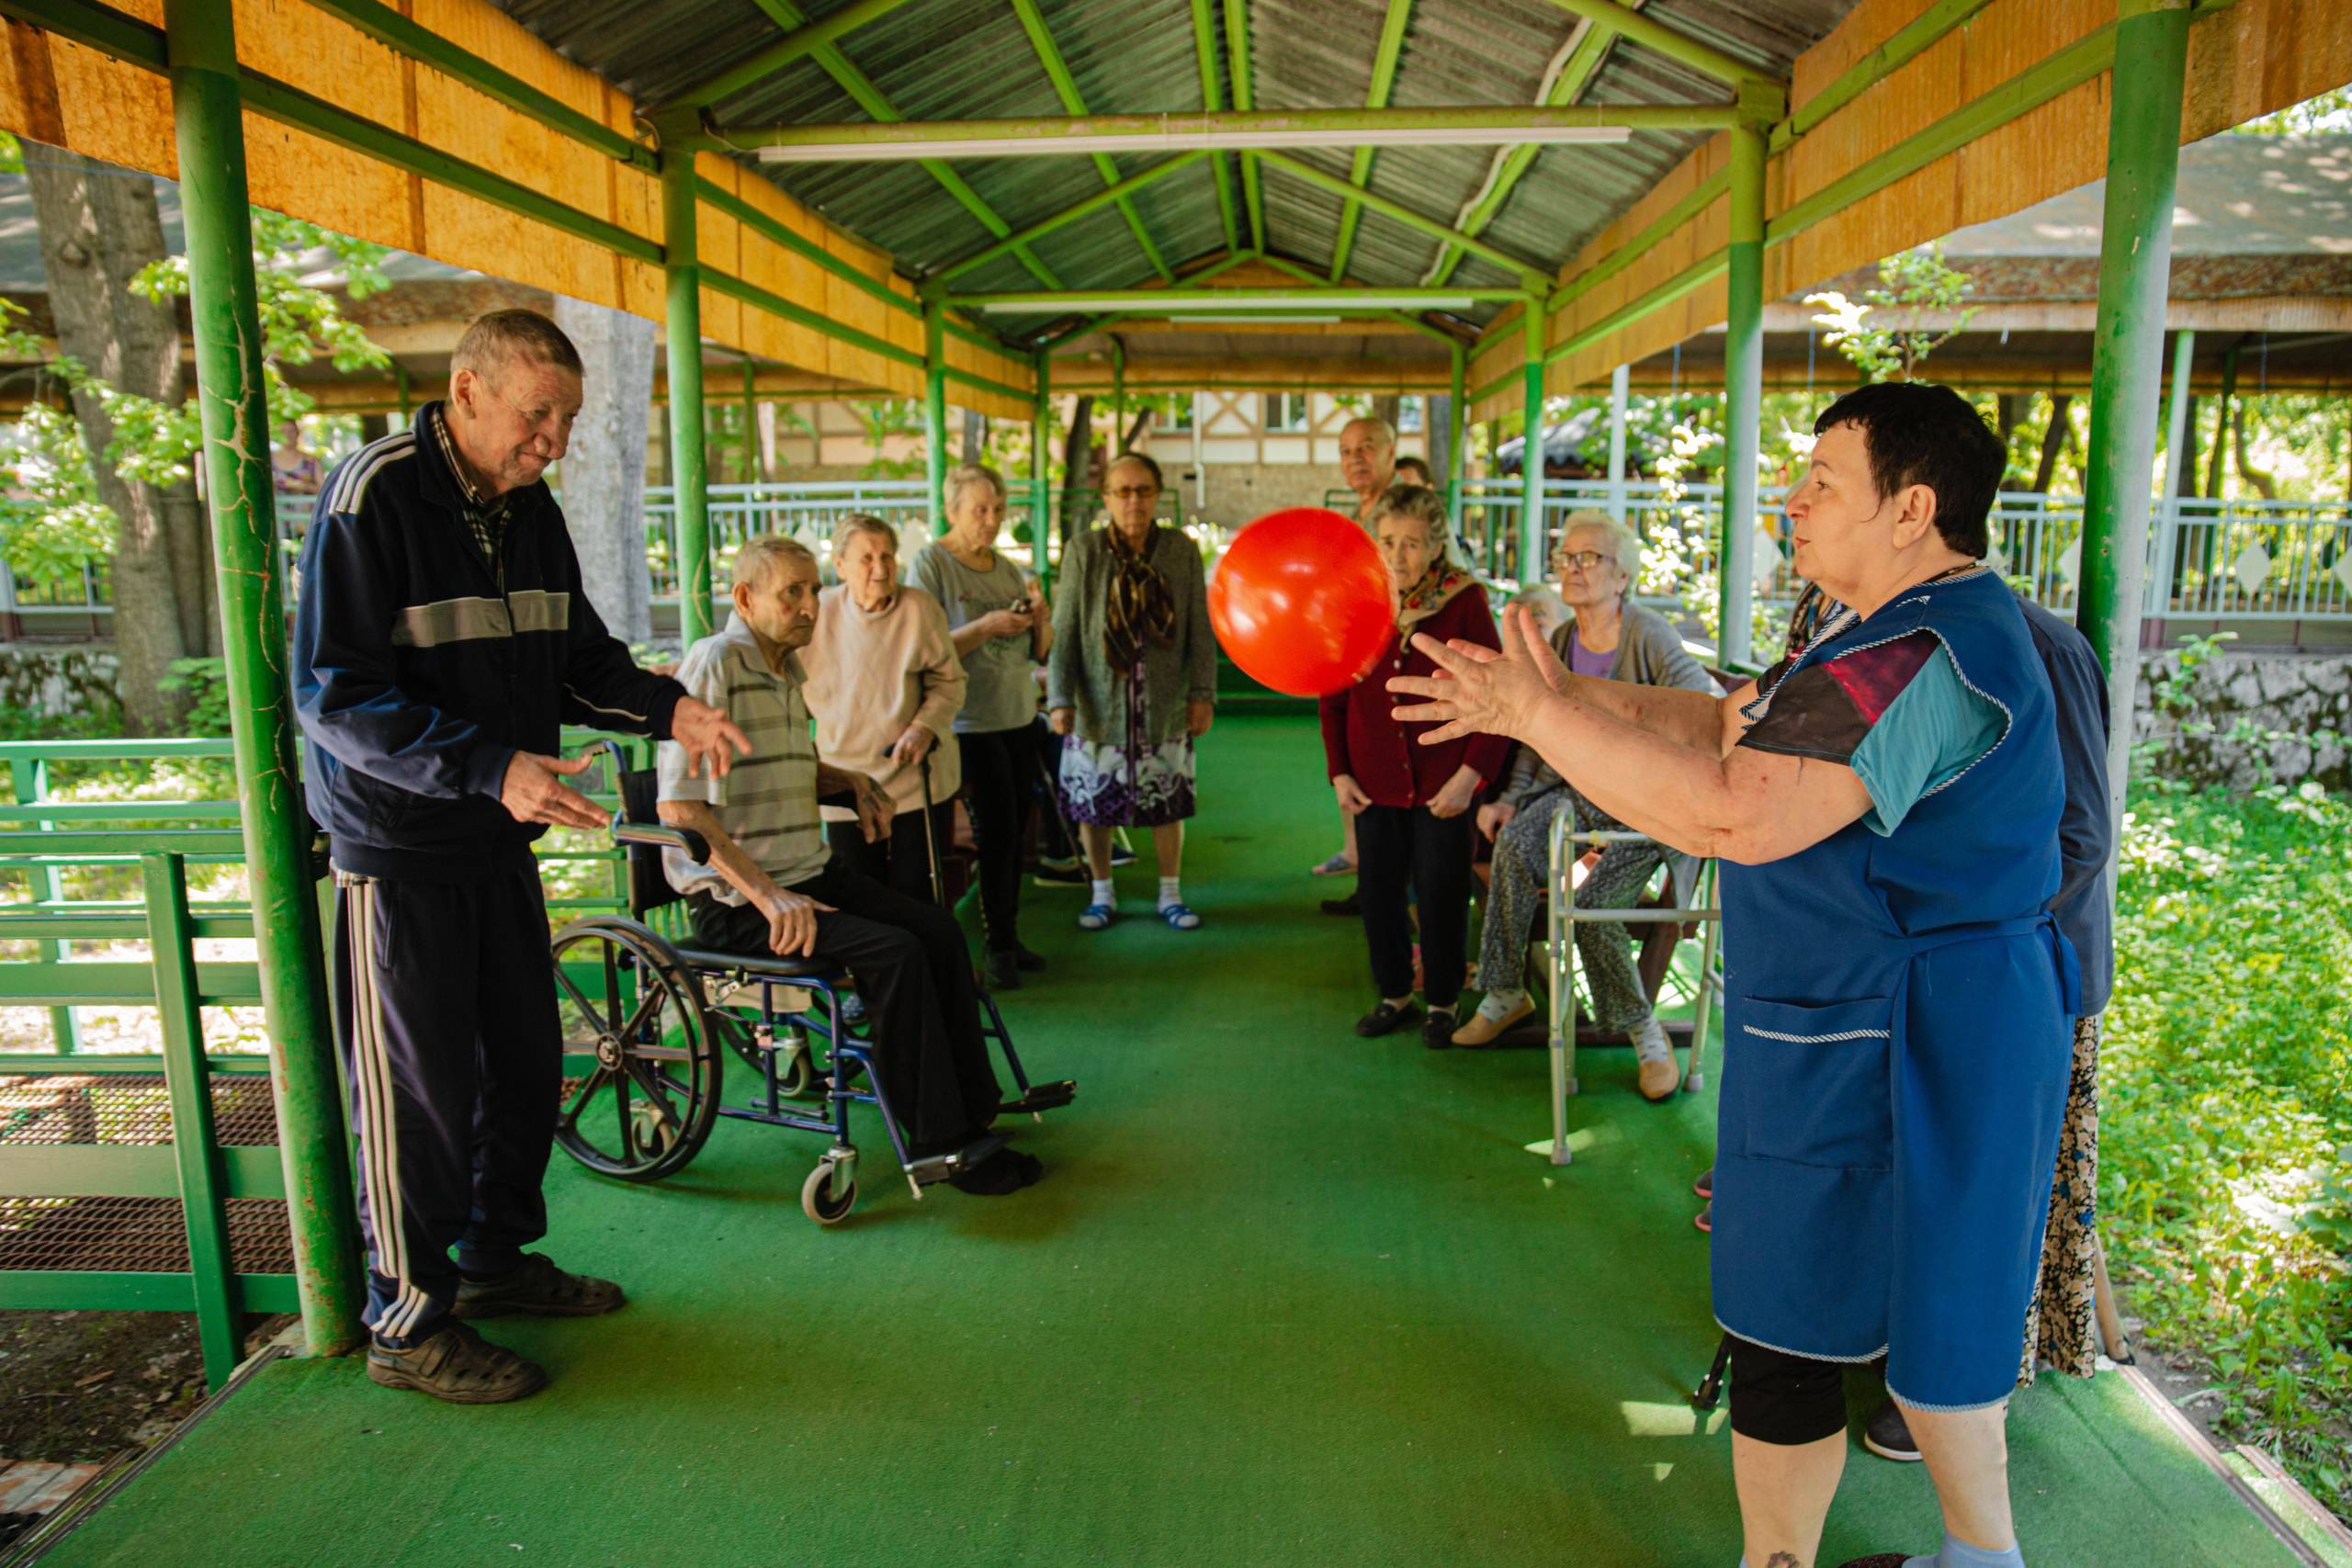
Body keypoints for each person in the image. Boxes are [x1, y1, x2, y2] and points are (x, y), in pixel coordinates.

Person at [1389, 381, 2071, 1568]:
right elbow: (1719, 727)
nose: (1789, 499)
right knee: (1792, 1318)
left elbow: (1731, 812)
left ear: (1912, 509)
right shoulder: (1872, 630)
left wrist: (1534, 721)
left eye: (1822, 482)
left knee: (1918, 1313)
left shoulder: (1925, 651)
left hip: (1921, 1040)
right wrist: (1558, 694)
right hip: (1840, 1028)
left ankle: (1978, 1554)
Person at [293, 308, 751, 1404]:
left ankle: (492, 1263)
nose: (555, 440)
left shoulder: (531, 511)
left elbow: (579, 659)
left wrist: (672, 709)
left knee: (525, 1064)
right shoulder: (371, 493)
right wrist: (489, 766)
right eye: (538, 415)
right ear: (467, 391)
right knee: (420, 1095)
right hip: (398, 851)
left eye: (569, 421)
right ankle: (407, 1322)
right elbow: (332, 695)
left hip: (498, 837)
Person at [656, 534, 1042, 1199]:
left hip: (806, 872)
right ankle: (939, 1144)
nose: (811, 606)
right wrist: (769, 896)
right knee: (897, 953)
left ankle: (974, 1109)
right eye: (792, 593)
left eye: (813, 590)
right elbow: (679, 808)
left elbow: (783, 766)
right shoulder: (715, 662)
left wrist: (850, 781)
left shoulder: (784, 666)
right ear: (745, 598)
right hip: (738, 902)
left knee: (938, 931)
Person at [1861, 590, 2114, 1464]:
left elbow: (2082, 835)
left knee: (1990, 1195)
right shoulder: (1908, 637)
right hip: (1941, 958)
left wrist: (1973, 922)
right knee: (1930, 1173)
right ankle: (1912, 1361)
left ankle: (1967, 1389)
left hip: (2028, 965)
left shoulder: (2041, 648)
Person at [1452, 513, 1718, 1099]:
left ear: (1622, 576)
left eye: (1588, 557)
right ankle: (1506, 992)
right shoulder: (1562, 640)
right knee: (1515, 843)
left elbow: (1702, 703)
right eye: (1565, 557)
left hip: (1642, 805)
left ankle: (1643, 1031)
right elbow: (1536, 733)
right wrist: (1511, 799)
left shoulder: (1648, 634)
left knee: (1595, 903)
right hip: (1577, 793)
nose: (1572, 568)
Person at [1324, 483, 1508, 1048]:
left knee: (1441, 893)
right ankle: (1395, 994)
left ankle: (1444, 1001)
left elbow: (1499, 696)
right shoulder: (1359, 599)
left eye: (1411, 543)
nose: (1397, 555)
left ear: (1435, 547)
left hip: (1445, 782)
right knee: (1379, 894)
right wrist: (1340, 772)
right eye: (1387, 542)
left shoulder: (1465, 600)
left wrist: (1471, 777)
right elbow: (1333, 695)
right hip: (1373, 780)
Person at [1046, 451, 1216, 931]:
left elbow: (1199, 627)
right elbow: (1066, 627)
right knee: (1095, 806)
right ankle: (1102, 894)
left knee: (1167, 802)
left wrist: (1202, 693)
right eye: (1123, 491)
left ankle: (1170, 894)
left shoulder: (1180, 549)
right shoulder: (1084, 550)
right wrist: (1060, 698)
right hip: (1097, 705)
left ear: (1158, 495)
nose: (1134, 501)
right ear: (1106, 498)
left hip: (1163, 705)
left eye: (1144, 490)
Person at [910, 463, 1055, 989]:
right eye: (980, 510)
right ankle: (998, 946)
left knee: (1013, 831)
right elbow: (922, 649)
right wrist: (987, 626)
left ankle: (1006, 934)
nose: (991, 520)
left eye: (997, 510)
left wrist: (1041, 620)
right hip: (967, 722)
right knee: (996, 828)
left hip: (1019, 713)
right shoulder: (931, 565)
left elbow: (1038, 651)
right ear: (951, 511)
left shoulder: (1008, 569)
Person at [798, 514, 964, 900]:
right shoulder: (817, 613)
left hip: (914, 775)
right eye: (867, 558)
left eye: (887, 556)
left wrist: (924, 727)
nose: (881, 568)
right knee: (860, 894)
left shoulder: (919, 608)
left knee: (919, 894)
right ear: (840, 566)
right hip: (844, 778)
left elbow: (950, 682)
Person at [1314, 415, 1404, 900]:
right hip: (1353, 660)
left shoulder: (1407, 510)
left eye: (1366, 448)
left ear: (1391, 451)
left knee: (1387, 776)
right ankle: (1361, 864)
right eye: (1346, 451)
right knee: (1350, 760)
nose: (1355, 460)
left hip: (1395, 666)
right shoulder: (1355, 514)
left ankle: (1388, 890)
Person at [272, 420, 322, 494]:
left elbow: (323, 489)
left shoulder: (311, 460)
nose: (287, 434)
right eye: (283, 431)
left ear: (298, 433)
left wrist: (308, 487)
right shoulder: (269, 460)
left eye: (291, 431)